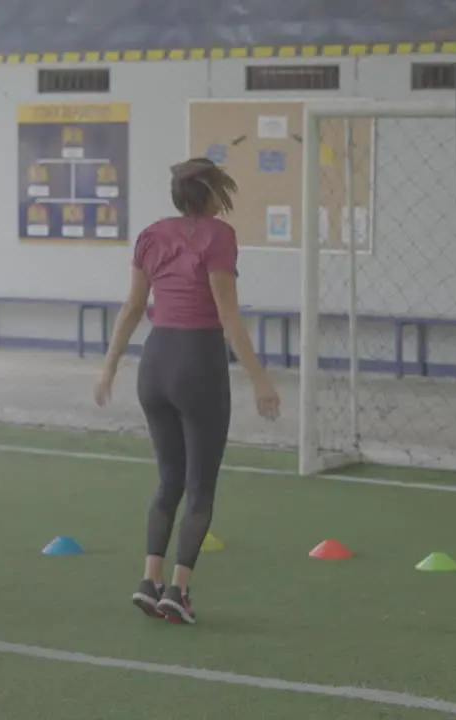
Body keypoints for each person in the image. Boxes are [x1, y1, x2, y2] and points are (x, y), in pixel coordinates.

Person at [94, 158, 280, 625]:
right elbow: (228, 314)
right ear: (212, 195)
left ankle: (148, 580)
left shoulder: (152, 235)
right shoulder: (219, 237)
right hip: (197, 363)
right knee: (200, 486)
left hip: (154, 364)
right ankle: (178, 590)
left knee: (168, 480)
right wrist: (259, 378)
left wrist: (110, 366)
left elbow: (134, 306)